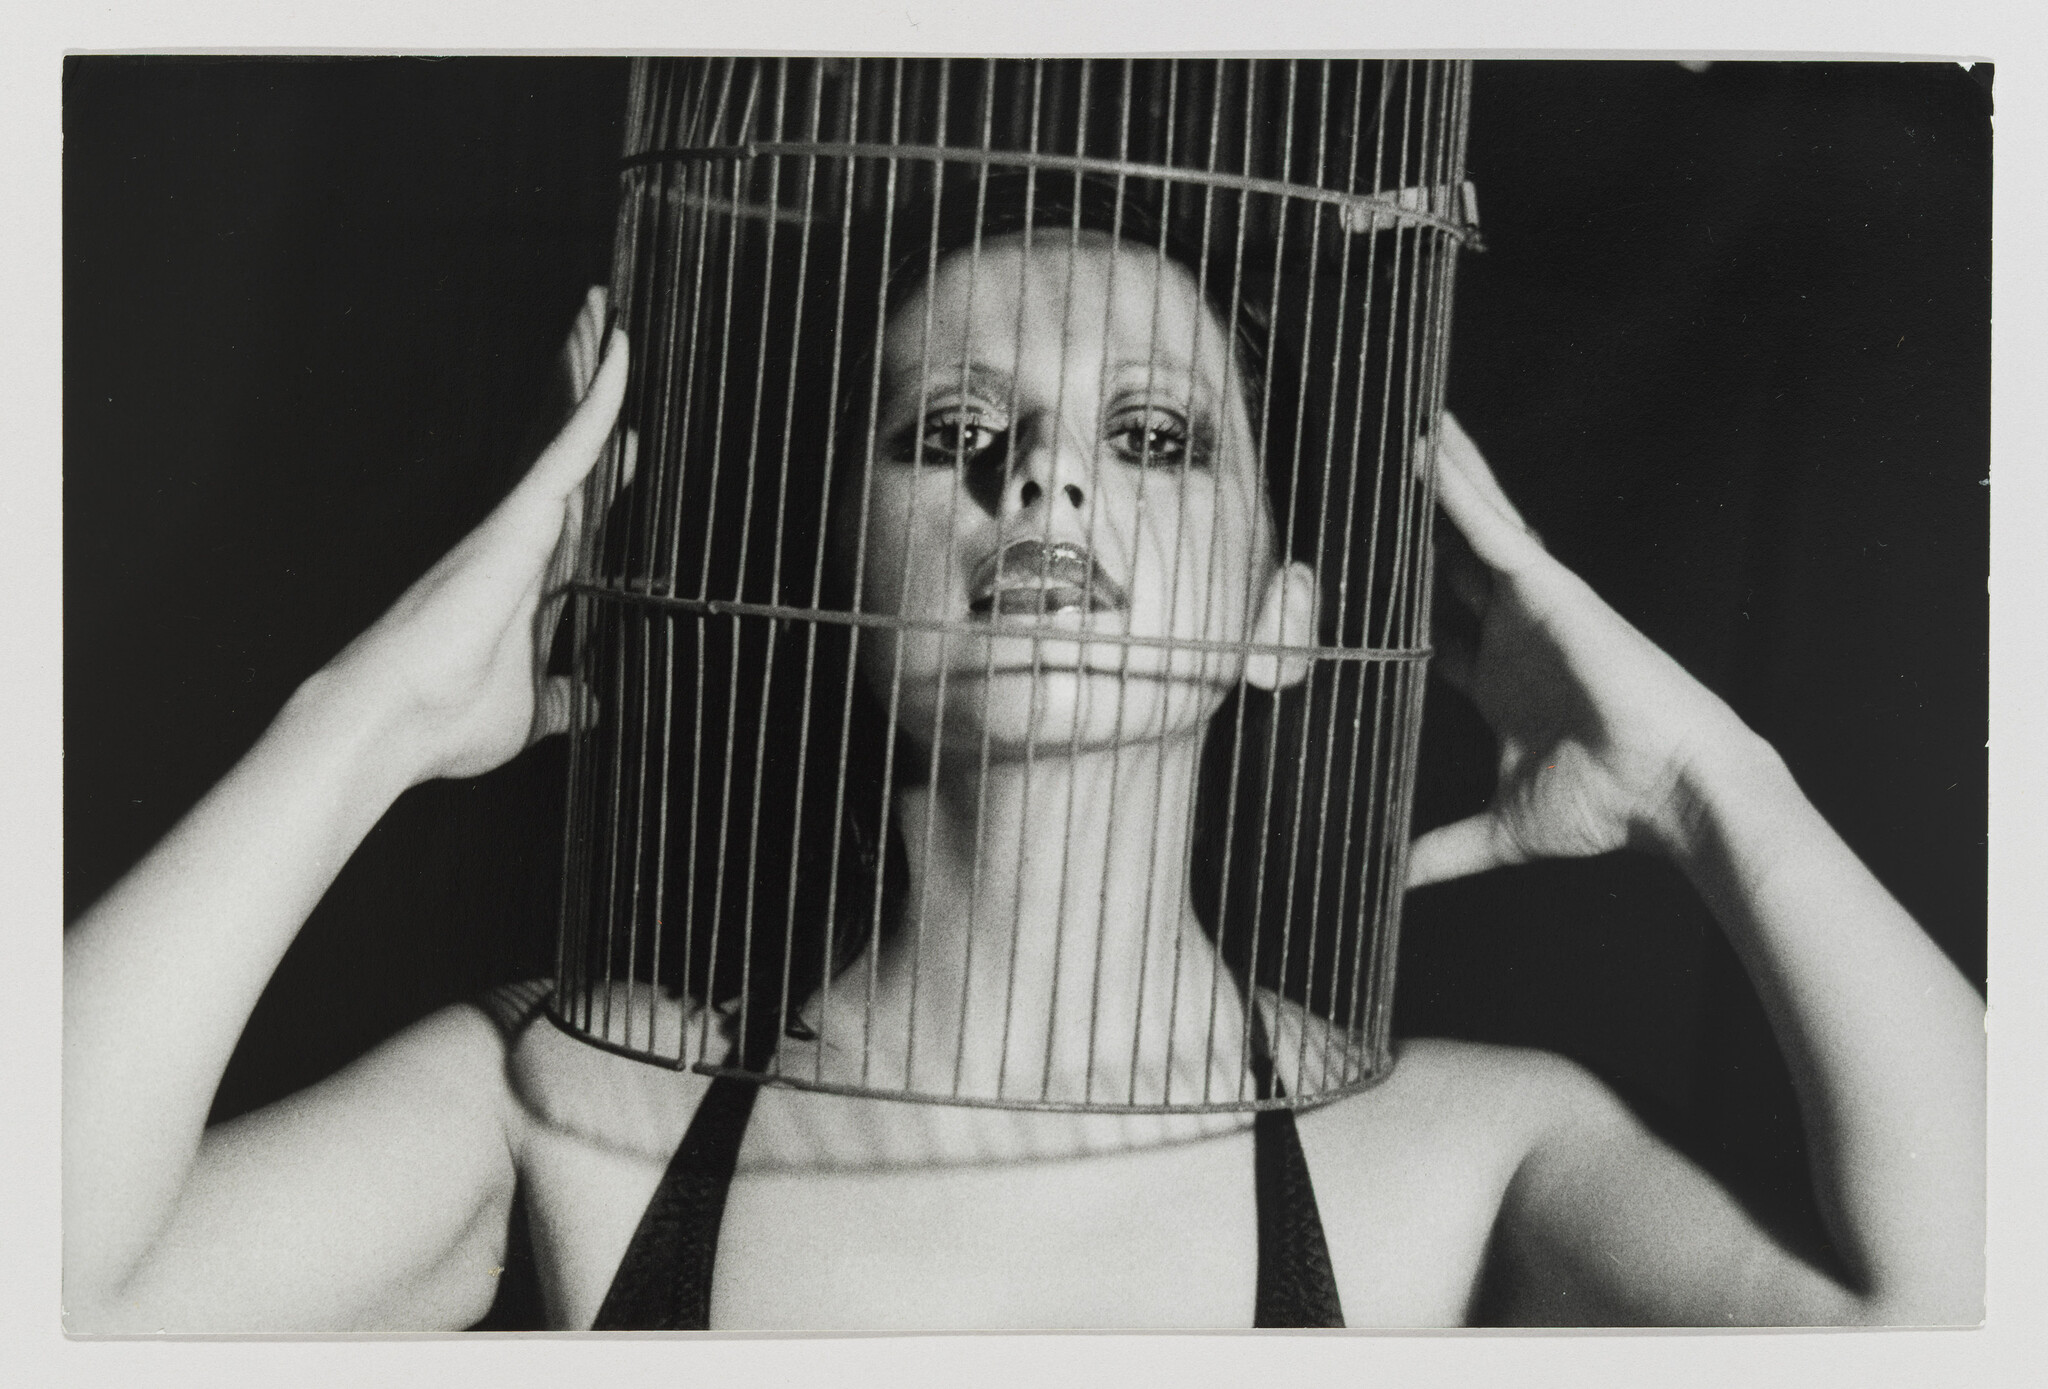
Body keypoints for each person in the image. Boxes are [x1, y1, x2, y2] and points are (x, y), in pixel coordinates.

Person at [62, 220, 1984, 1330]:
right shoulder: (563, 1101)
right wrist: (371, 716)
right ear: (836, 575)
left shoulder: (1468, 1152)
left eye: (1151, 435)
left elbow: (1974, 1333)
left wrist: (1722, 786)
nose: (1043, 481)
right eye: (954, 432)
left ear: (1281, 617)